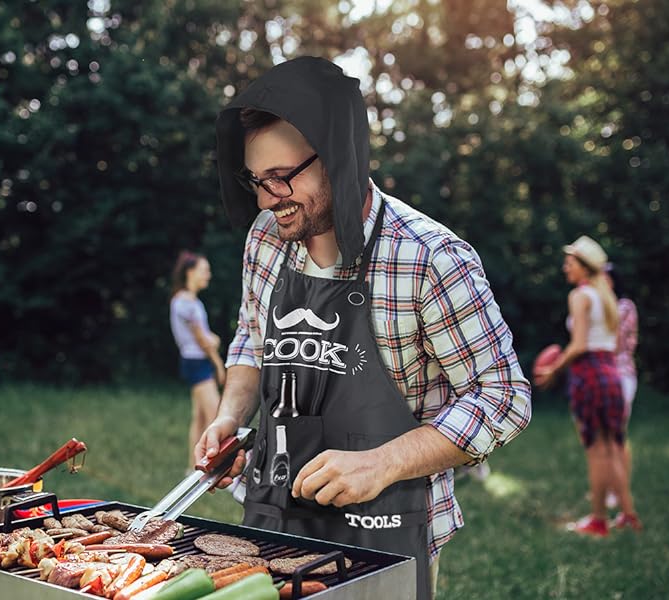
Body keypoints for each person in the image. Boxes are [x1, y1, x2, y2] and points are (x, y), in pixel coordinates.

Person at [196, 56, 532, 599]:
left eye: (282, 177)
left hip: (387, 532)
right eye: (256, 180)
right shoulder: (265, 237)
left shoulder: (430, 257)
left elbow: (504, 398)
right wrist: (230, 417)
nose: (265, 199)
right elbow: (251, 340)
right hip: (271, 517)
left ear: (338, 158)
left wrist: (383, 462)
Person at [534, 236, 641, 536]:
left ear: (584, 266)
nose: (565, 268)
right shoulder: (605, 294)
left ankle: (597, 519)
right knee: (614, 446)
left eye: (570, 263)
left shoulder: (581, 296)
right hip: (611, 375)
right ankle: (629, 514)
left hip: (589, 375)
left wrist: (554, 369)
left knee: (595, 450)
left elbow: (579, 344)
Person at [169, 251, 226, 472]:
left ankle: (193, 468)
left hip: (194, 361)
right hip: (198, 362)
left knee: (200, 417)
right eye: (204, 270)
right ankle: (219, 468)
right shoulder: (185, 303)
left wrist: (211, 339)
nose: (208, 275)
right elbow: (203, 339)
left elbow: (202, 335)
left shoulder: (187, 301)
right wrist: (219, 365)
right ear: (190, 272)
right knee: (216, 416)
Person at [605, 263, 638, 516]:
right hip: (602, 376)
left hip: (620, 375)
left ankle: (619, 491)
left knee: (616, 436)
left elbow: (615, 345)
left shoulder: (624, 306)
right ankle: (607, 488)